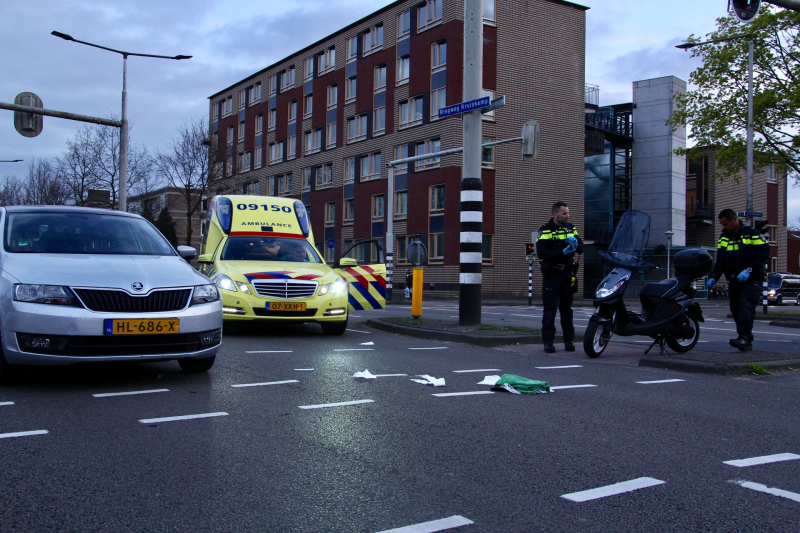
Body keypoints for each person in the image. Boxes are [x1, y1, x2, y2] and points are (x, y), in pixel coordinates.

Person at [707, 209, 769, 351]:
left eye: (726, 224)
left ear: (735, 219)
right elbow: (721, 260)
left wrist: (749, 270)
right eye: (722, 225)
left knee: (745, 304)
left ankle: (744, 338)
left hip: (752, 278)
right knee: (735, 309)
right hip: (734, 279)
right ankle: (746, 338)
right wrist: (714, 277)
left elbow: (764, 256)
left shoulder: (753, 234)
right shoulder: (724, 237)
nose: (724, 227)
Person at [535, 201, 583, 353]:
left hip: (568, 273)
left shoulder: (571, 228)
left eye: (568, 213)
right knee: (550, 310)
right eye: (564, 213)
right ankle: (548, 343)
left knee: (567, 310)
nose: (567, 216)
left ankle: (569, 341)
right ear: (554, 214)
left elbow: (581, 248)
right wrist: (562, 253)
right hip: (553, 274)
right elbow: (542, 253)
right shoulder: (546, 230)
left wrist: (576, 245)